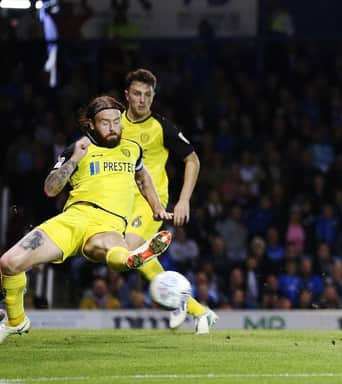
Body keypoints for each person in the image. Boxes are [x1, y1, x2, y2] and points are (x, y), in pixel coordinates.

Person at [0, 95, 173, 343]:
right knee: (8, 262)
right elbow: (50, 189)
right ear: (91, 124)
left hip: (109, 224)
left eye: (117, 121)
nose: (113, 127)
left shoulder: (132, 149)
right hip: (73, 219)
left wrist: (157, 208)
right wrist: (72, 161)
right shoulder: (78, 148)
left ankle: (135, 257)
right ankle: (16, 321)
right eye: (105, 122)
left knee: (114, 250)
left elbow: (143, 177)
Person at [121, 68, 217, 334]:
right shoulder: (114, 124)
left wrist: (183, 200)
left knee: (128, 248)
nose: (142, 100)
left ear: (153, 97)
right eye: (137, 94)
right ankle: (194, 308)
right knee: (127, 255)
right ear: (127, 95)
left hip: (151, 202)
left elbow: (193, 160)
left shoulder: (161, 127)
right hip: (119, 201)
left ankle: (179, 303)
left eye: (148, 95)